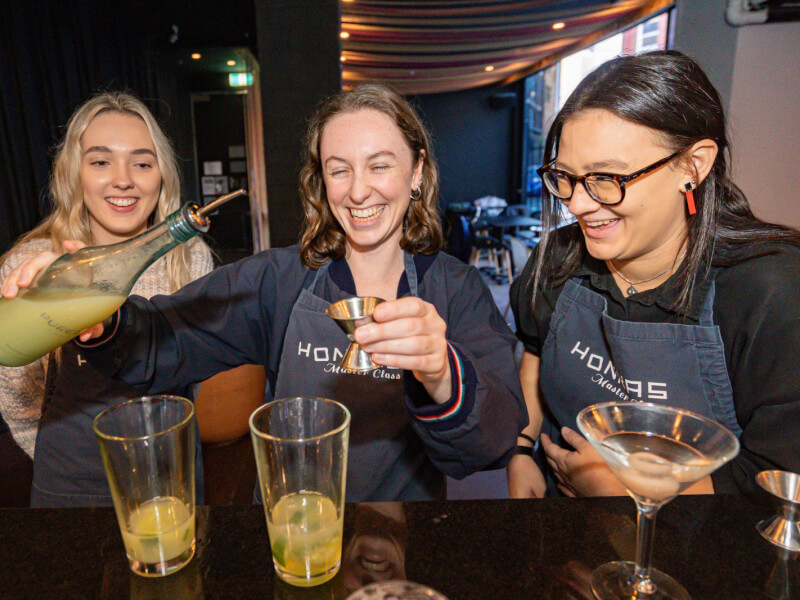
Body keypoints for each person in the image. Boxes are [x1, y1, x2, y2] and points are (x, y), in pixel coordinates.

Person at [3, 83, 527, 502]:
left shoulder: (455, 288)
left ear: (417, 171)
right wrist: (104, 320)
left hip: (403, 541)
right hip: (287, 532)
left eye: (380, 165)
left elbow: (492, 444)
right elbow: (164, 337)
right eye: (338, 170)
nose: (359, 189)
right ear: (322, 183)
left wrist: (441, 371)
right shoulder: (277, 281)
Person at [507, 50, 800, 499]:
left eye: (607, 177)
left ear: (693, 166)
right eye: (565, 176)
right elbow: (533, 349)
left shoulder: (770, 292)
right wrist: (522, 450)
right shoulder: (559, 259)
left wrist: (620, 489)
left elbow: (777, 481)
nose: (578, 204)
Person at [0, 92, 213, 507]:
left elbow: (196, 381)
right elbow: (16, 394)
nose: (123, 179)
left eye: (142, 162)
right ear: (74, 174)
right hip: (71, 490)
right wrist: (56, 463)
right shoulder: (31, 266)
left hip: (172, 484)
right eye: (100, 161)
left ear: (161, 176)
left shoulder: (191, 258)